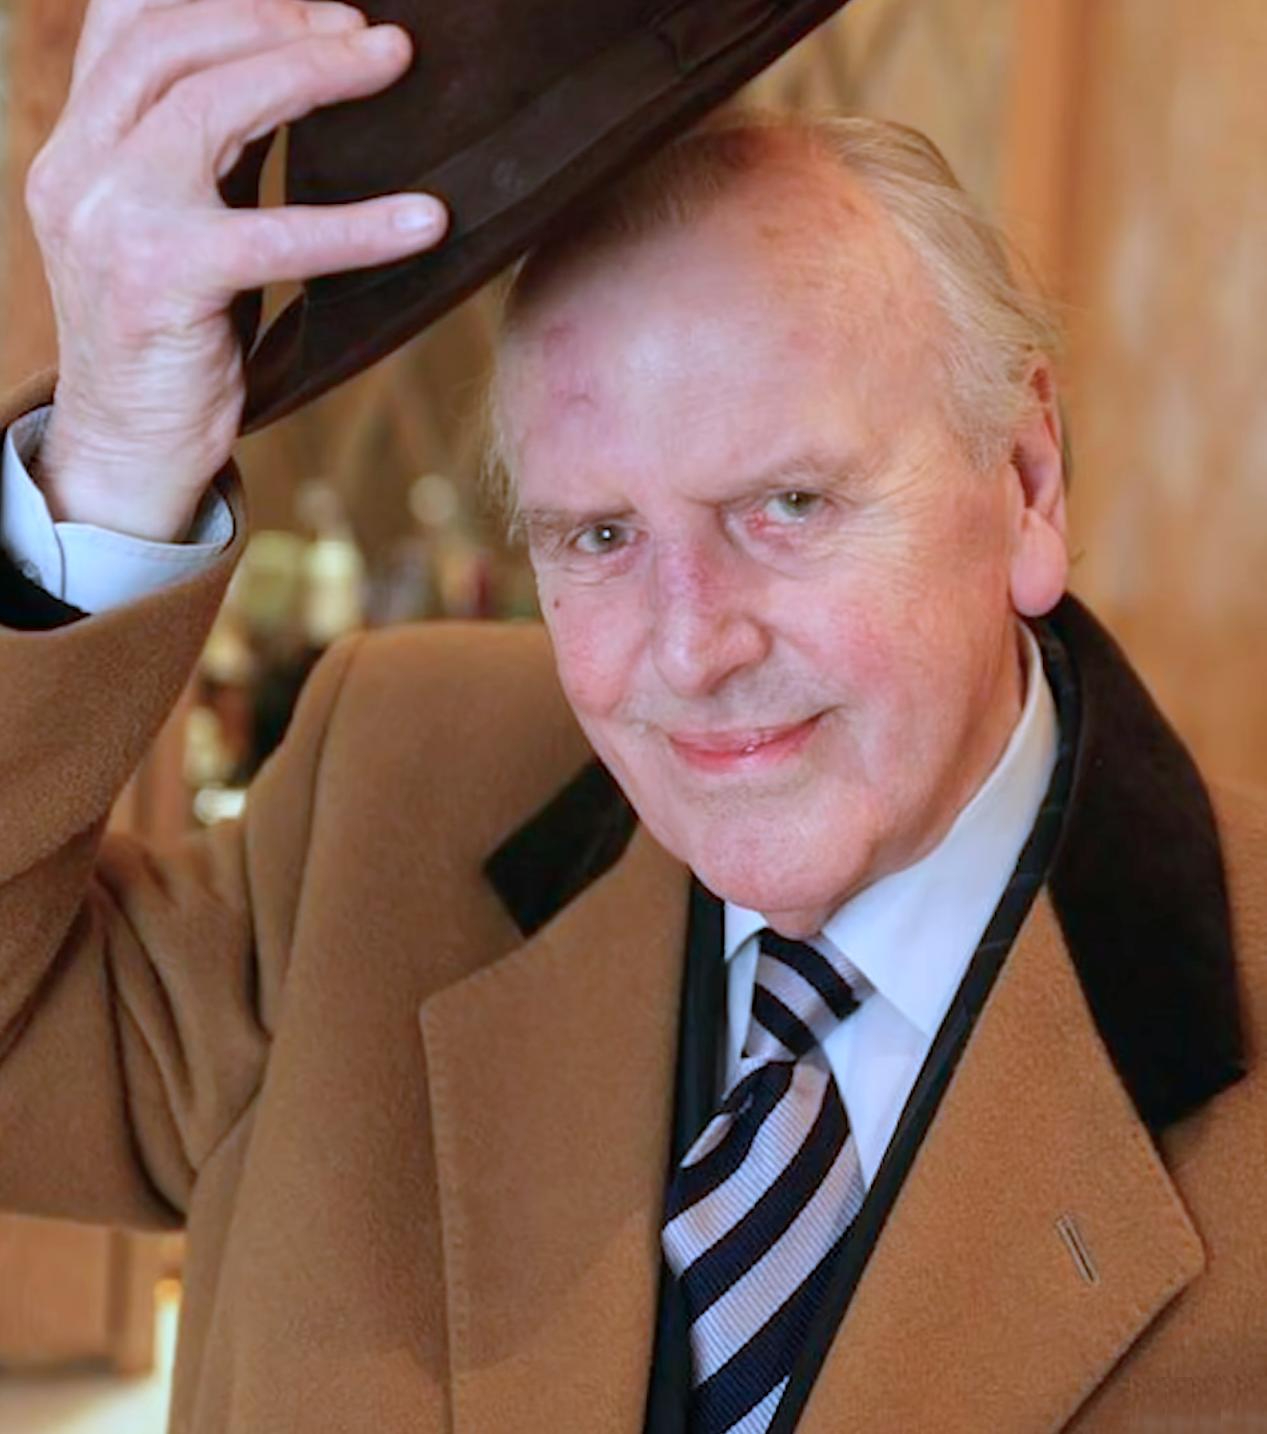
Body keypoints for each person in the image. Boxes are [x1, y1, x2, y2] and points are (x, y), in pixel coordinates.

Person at [1, 2, 1264, 1431]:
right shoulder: (395, 789)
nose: (691, 646)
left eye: (789, 505)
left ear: (1027, 482)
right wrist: (118, 445)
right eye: (599, 536)